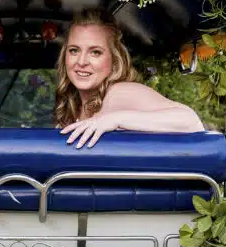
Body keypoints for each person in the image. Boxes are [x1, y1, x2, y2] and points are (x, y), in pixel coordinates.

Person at [55, 9, 205, 148]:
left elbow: (190, 121)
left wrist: (115, 119)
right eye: (74, 50)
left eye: (95, 52)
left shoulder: (119, 92)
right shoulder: (74, 105)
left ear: (114, 60)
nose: (81, 62)